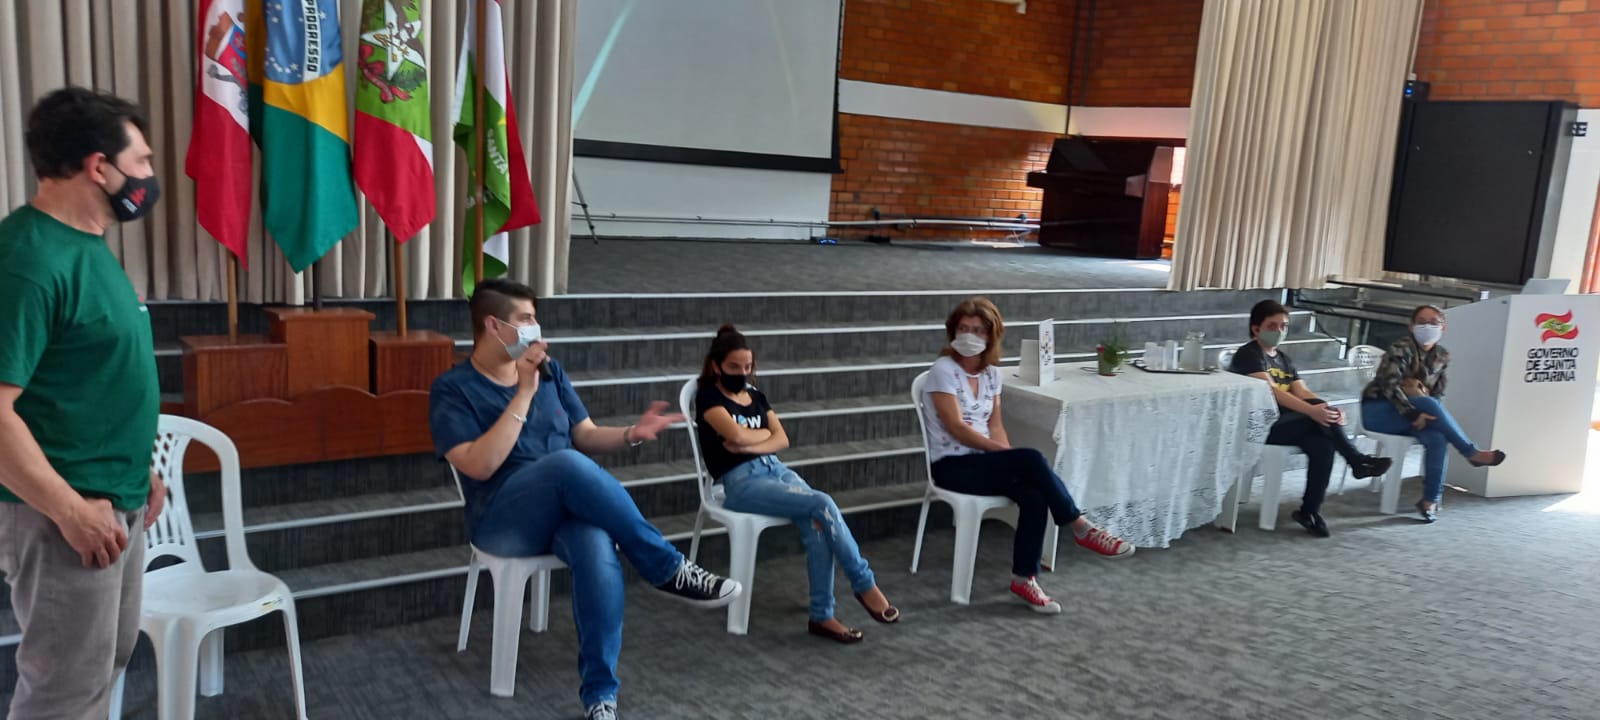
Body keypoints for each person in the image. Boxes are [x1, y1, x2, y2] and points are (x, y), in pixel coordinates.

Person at [429, 279, 742, 720]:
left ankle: (600, 697)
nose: (535, 329)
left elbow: (584, 434)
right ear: (493, 325)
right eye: (525, 319)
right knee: (566, 465)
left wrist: (632, 433)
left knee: (595, 542)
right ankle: (667, 567)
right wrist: (522, 393)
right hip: (502, 519)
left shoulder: (550, 371)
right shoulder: (453, 389)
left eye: (536, 318)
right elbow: (477, 466)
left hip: (562, 508)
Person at [0, 87, 166, 719]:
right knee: (63, 693)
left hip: (112, 497)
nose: (149, 177)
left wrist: (135, 469)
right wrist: (69, 508)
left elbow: (82, 381)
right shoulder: (28, 258)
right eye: (142, 161)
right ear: (100, 166)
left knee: (102, 667)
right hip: (62, 515)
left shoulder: (89, 249)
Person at [921, 297, 1133, 615]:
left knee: (1034, 494)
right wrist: (1011, 458)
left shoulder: (992, 374)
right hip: (952, 465)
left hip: (984, 463)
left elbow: (995, 424)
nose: (969, 335)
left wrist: (1008, 458)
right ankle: (1080, 526)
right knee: (1031, 458)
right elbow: (957, 428)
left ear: (990, 336)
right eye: (963, 328)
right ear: (953, 331)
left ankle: (1024, 578)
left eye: (977, 330)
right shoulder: (943, 370)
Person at [693, 325, 899, 644]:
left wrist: (751, 443)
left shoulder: (756, 396)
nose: (742, 373)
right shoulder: (708, 395)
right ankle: (863, 583)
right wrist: (759, 438)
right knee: (822, 502)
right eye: (734, 367)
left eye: (747, 367)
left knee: (817, 523)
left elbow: (782, 438)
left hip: (777, 471)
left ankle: (822, 616)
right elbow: (734, 434)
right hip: (741, 483)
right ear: (717, 365)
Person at [1228, 300, 1393, 538]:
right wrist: (1314, 411)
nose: (1280, 331)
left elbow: (1303, 392)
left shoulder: (1283, 358)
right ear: (1256, 328)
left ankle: (1309, 511)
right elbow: (1272, 392)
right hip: (1260, 424)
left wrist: (1330, 410)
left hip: (1289, 423)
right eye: (1273, 326)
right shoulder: (1249, 355)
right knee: (1316, 414)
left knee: (1323, 443)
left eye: (1284, 326)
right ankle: (1356, 460)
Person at [1359, 305, 1506, 523]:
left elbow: (1438, 393)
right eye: (1421, 321)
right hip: (1380, 410)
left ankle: (1430, 501)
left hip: (1418, 414)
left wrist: (1425, 415)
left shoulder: (1442, 355)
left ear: (1443, 328)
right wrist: (1412, 414)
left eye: (1433, 322)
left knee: (1437, 438)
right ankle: (1470, 452)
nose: (1427, 326)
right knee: (1428, 403)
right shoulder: (1400, 348)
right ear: (1411, 326)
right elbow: (1388, 385)